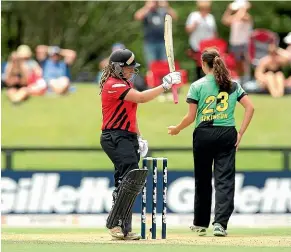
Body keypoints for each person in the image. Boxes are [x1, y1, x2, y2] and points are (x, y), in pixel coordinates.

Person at [168, 48, 254, 236]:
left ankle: (200, 223)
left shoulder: (197, 85)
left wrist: (177, 128)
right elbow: (250, 108)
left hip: (204, 134)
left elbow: (191, 117)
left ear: (203, 63)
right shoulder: (232, 84)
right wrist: (240, 133)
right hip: (227, 133)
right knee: (224, 180)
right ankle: (220, 224)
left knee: (203, 179)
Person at [99, 48, 181, 240]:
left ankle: (123, 228)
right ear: (118, 68)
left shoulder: (123, 84)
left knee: (126, 181)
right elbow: (142, 98)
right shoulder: (113, 85)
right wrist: (165, 85)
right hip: (114, 137)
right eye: (128, 68)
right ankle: (114, 224)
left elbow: (131, 116)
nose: (131, 71)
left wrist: (139, 137)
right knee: (131, 177)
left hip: (126, 137)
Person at [134, 0, 177, 68]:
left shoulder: (163, 11)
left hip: (164, 43)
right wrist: (147, 7)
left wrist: (167, 6)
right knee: (152, 66)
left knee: (166, 66)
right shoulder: (147, 11)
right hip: (150, 43)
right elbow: (137, 16)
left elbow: (174, 16)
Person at [185, 0, 217, 80]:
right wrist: (194, 25)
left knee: (209, 64)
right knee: (199, 64)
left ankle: (208, 80)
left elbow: (214, 32)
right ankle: (198, 80)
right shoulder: (194, 16)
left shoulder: (210, 17)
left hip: (209, 46)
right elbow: (188, 29)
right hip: (196, 45)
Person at [222, 0, 252, 79]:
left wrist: (243, 8)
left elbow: (240, 17)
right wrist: (229, 10)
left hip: (244, 43)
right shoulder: (235, 17)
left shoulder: (246, 16)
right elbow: (224, 20)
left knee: (245, 63)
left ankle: (247, 79)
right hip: (234, 44)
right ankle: (240, 79)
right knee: (237, 63)